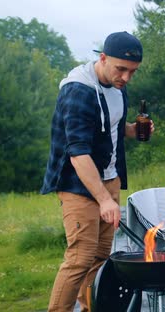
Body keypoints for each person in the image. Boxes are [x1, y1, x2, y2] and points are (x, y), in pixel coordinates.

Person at [41, 31, 152, 312]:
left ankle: (92, 308)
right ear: (102, 58)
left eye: (133, 72)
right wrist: (103, 199)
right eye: (121, 69)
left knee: (101, 257)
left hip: (109, 178)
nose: (126, 78)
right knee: (80, 257)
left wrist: (132, 130)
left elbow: (110, 127)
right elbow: (77, 152)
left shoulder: (118, 86)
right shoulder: (77, 90)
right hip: (78, 183)